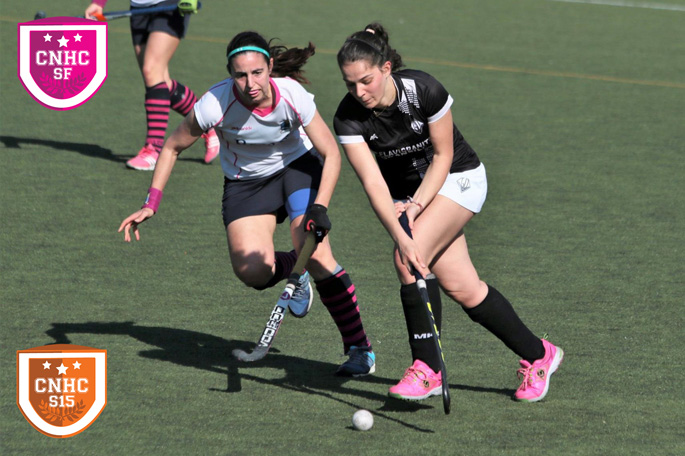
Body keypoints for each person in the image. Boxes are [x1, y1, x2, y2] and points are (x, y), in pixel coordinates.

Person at [118, 31, 375, 376]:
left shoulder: (292, 95)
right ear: (230, 73)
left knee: (315, 253)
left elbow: (331, 153)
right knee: (252, 272)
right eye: (240, 75)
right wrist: (152, 202)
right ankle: (294, 270)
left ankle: (359, 349)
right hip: (247, 184)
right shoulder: (214, 104)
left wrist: (320, 207)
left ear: (270, 67)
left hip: (298, 169)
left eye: (257, 72)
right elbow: (172, 147)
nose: (250, 83)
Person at [333, 23, 564, 402]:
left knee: (408, 259)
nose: (359, 92)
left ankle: (428, 369)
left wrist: (415, 210)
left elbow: (443, 156)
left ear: (386, 69)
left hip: (459, 179)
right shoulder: (348, 118)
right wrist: (400, 228)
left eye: (366, 81)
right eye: (349, 84)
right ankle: (540, 355)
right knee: (464, 289)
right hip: (408, 197)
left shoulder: (424, 89)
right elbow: (373, 184)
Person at [85, 0, 219, 170]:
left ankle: (153, 150)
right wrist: (99, 3)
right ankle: (208, 125)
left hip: (170, 5)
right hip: (139, 7)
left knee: (151, 71)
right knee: (160, 83)